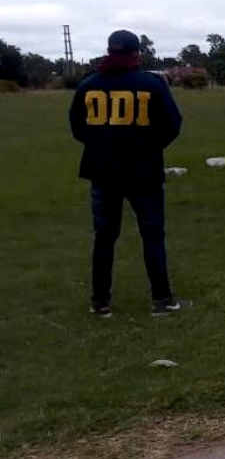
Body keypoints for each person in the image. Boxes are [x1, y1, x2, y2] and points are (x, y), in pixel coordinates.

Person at [69, 29, 189, 318]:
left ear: (109, 51)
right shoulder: (152, 84)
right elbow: (173, 124)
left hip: (102, 171)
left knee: (104, 237)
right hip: (143, 172)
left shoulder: (88, 85)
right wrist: (149, 147)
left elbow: (77, 128)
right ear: (138, 53)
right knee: (152, 235)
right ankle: (162, 300)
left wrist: (102, 146)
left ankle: (100, 303)